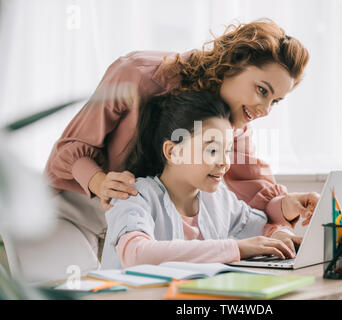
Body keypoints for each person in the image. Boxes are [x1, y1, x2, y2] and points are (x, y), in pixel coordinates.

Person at [45, 18, 319, 260]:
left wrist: (285, 208)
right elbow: (69, 149)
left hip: (136, 222)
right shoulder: (138, 75)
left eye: (276, 102)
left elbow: (252, 191)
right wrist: (100, 182)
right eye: (262, 90)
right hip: (73, 214)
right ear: (234, 62)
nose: (264, 110)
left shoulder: (233, 121)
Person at [102, 91, 301, 269]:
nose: (225, 162)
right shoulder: (134, 195)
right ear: (173, 151)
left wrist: (280, 236)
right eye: (212, 150)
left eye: (228, 150)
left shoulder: (218, 199)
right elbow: (136, 254)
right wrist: (236, 248)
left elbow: (259, 226)